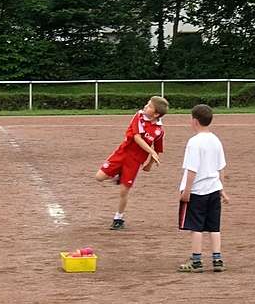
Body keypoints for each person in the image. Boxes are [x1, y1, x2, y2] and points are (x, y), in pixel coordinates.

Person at [95, 96, 169, 230]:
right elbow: (137, 138)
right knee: (99, 177)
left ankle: (119, 218)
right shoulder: (139, 116)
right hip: (122, 153)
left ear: (156, 114)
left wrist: (149, 164)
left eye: (150, 106)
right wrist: (150, 152)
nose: (146, 106)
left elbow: (158, 149)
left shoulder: (159, 130)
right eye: (147, 104)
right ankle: (119, 174)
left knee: (124, 192)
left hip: (134, 161)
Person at [177, 104, 229, 273]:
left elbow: (192, 169)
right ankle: (217, 259)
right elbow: (220, 167)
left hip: (198, 191)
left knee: (196, 227)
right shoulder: (216, 140)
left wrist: (186, 191)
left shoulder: (194, 142)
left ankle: (197, 261)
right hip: (214, 189)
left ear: (195, 121)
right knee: (214, 227)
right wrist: (222, 189)